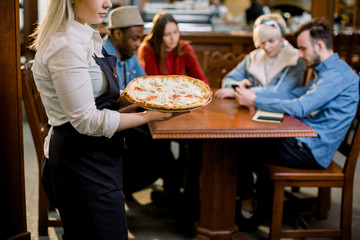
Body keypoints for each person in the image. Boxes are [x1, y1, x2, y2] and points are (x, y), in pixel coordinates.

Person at [29, 0, 181, 239]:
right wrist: (149, 115)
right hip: (78, 163)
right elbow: (87, 120)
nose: (108, 3)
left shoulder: (85, 35)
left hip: (98, 154)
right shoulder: (65, 47)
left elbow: (103, 97)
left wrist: (148, 99)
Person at [233, 18, 359, 231]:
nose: (299, 54)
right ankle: (261, 207)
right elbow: (296, 94)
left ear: (319, 46)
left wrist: (255, 100)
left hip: (312, 151)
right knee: (251, 142)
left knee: (240, 146)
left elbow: (301, 107)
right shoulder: (329, 69)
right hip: (307, 140)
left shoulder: (335, 74)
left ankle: (248, 209)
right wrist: (255, 95)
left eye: (302, 48)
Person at [103, 6, 181, 198]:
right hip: (109, 130)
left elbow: (147, 86)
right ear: (118, 33)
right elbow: (108, 107)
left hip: (128, 121)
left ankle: (173, 194)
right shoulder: (101, 57)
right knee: (161, 151)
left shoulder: (128, 55)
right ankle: (119, 190)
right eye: (134, 38)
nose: (138, 43)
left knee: (162, 143)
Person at [214, 13, 305, 100]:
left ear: (282, 38)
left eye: (271, 41)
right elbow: (228, 80)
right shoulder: (252, 57)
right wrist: (238, 85)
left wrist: (237, 92)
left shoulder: (296, 59)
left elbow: (280, 92)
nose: (266, 47)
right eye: (262, 42)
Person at [138, 13, 209, 85]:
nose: (173, 38)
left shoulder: (184, 48)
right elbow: (153, 84)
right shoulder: (148, 49)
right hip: (157, 92)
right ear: (158, 36)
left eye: (175, 32)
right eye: (167, 34)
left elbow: (201, 79)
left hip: (177, 91)